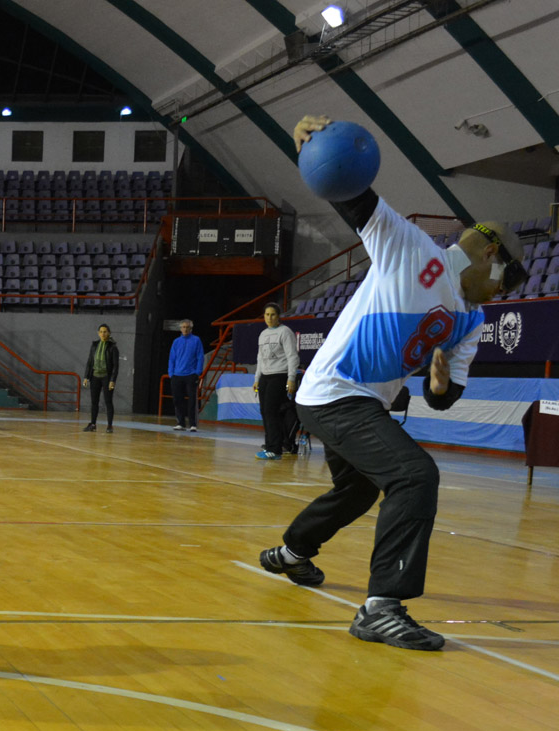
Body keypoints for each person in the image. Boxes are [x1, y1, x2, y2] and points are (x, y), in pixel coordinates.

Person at [259, 114, 527, 652]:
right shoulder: (412, 247)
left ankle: (290, 553)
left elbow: (443, 401)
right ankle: (381, 607)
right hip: (335, 391)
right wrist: (312, 149)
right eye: (506, 280)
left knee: (358, 488)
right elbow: (352, 193)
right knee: (414, 475)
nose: (502, 294)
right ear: (490, 254)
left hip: (354, 403)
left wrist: (440, 379)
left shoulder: (470, 321)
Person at [253, 303, 300, 459]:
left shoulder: (285, 332)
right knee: (264, 412)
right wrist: (257, 378)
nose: (269, 318)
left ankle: (276, 448)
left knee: (271, 411)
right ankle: (270, 445)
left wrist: (291, 379)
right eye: (266, 314)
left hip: (279, 375)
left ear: (278, 316)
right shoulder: (263, 334)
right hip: (265, 377)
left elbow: (292, 356)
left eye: (272, 314)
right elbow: (260, 358)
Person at [82, 324, 119, 433]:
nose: (103, 334)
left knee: (108, 401)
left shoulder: (113, 347)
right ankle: (93, 424)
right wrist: (86, 377)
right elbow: (89, 362)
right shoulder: (94, 345)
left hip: (106, 377)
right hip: (95, 377)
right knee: (94, 402)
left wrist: (113, 380)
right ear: (98, 333)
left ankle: (109, 426)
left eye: (105, 331)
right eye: (101, 332)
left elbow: (116, 366)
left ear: (109, 333)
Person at [168, 319, 203, 431]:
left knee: (192, 400)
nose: (185, 329)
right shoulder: (176, 341)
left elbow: (200, 357)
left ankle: (193, 424)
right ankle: (181, 423)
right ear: (180, 328)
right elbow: (172, 358)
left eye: (187, 327)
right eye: (183, 327)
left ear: (191, 329)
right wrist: (171, 373)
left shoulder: (196, 340)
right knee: (178, 400)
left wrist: (197, 372)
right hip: (177, 375)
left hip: (191, 375)